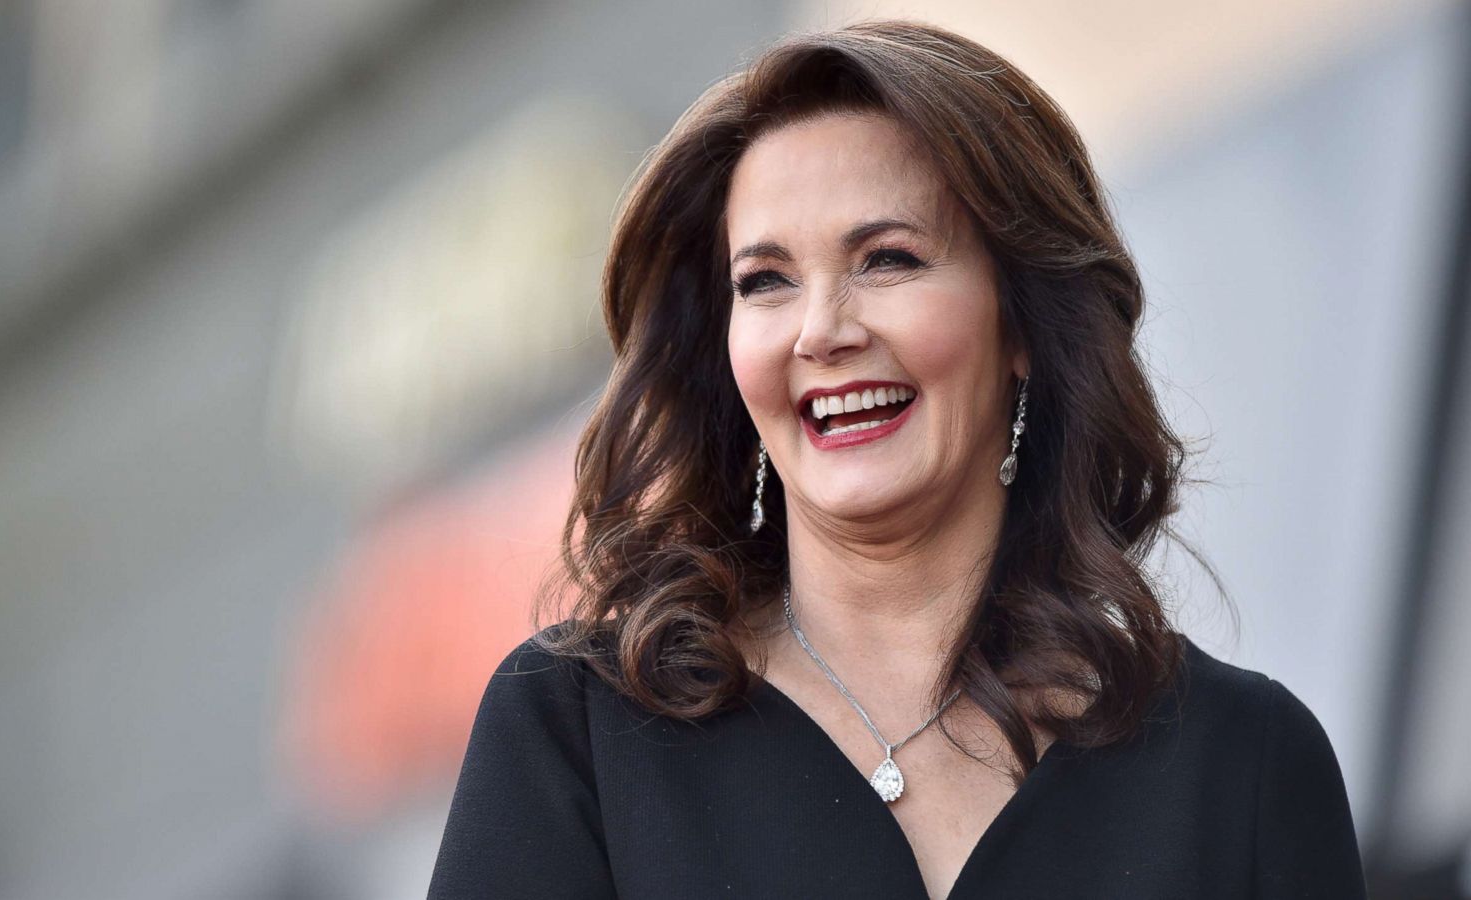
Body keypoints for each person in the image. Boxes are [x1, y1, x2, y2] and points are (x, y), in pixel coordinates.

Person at [426, 19, 1367, 900]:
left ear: (1023, 323)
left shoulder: (1242, 765)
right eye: (766, 282)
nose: (823, 331)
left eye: (889, 259)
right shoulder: (577, 733)